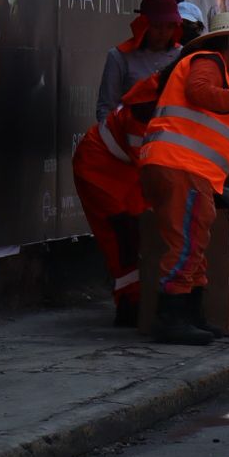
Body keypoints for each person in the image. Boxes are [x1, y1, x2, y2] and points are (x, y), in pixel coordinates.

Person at [138, 13, 229, 345]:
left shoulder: (214, 70)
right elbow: (200, 92)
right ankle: (172, 316)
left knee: (194, 239)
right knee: (186, 242)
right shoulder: (208, 61)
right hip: (182, 167)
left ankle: (190, 314)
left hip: (183, 168)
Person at [73, 73, 161, 326]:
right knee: (122, 236)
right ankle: (129, 303)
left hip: (120, 170)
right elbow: (149, 165)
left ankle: (133, 301)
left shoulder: (155, 97)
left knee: (132, 234)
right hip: (100, 170)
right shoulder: (142, 115)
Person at [96, 0, 183, 121]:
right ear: (143, 25)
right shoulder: (119, 56)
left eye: (169, 26)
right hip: (129, 137)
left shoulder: (182, 55)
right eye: (157, 26)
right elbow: (106, 109)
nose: (163, 32)